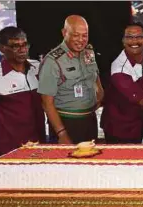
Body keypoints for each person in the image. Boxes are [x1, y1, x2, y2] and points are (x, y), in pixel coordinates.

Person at [38, 15, 104, 144]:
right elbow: (46, 103)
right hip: (67, 121)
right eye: (75, 35)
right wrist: (61, 133)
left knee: (91, 161)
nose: (81, 40)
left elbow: (94, 74)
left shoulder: (88, 52)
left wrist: (100, 92)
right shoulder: (52, 61)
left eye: (85, 35)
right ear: (64, 33)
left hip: (90, 119)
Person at [0, 27, 45, 156]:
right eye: (16, 46)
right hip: (9, 150)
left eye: (25, 44)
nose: (23, 50)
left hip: (40, 144)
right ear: (2, 48)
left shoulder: (38, 68)